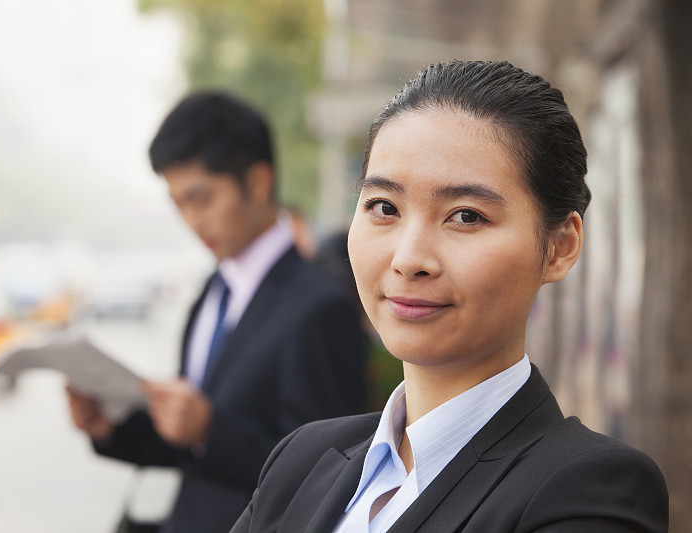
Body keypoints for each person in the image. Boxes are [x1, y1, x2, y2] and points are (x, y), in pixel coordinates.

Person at [231, 60, 669, 532]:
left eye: (466, 216)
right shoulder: (301, 461)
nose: (409, 258)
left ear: (559, 247)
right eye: (384, 207)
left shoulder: (589, 490)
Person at [67, 91, 367, 533]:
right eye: (178, 204)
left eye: (201, 198)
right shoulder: (213, 290)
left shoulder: (320, 306)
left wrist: (210, 429)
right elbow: (188, 449)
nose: (191, 220)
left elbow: (327, 473)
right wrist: (109, 427)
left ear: (259, 182)